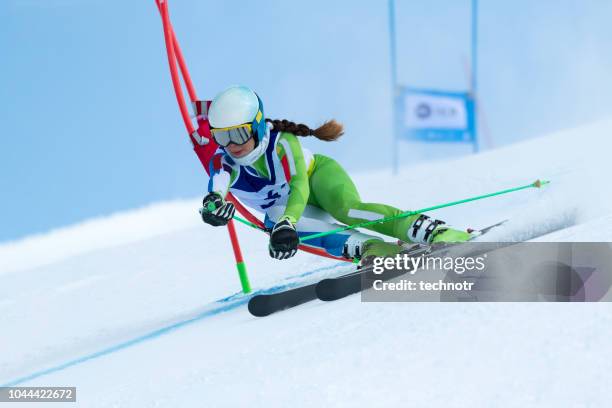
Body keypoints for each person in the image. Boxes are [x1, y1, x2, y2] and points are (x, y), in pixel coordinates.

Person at [199, 85, 471, 261]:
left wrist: (288, 222)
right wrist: (212, 207)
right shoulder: (225, 163)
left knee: (348, 210)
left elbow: (300, 185)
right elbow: (216, 191)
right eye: (221, 137)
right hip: (292, 210)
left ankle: (435, 233)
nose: (232, 144)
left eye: (238, 133)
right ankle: (374, 250)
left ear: (257, 126)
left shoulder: (281, 142)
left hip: (317, 180)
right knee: (273, 221)